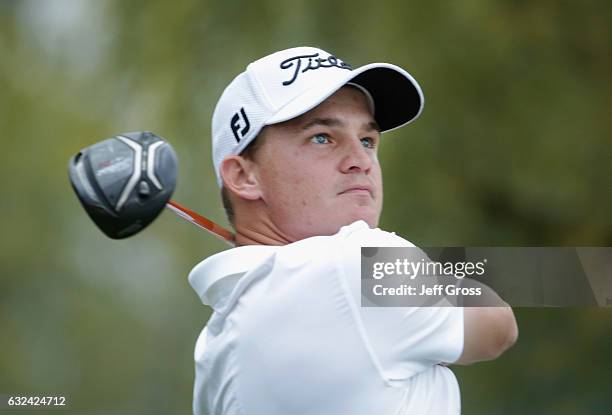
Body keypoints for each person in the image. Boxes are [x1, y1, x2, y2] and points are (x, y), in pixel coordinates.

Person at [188, 46, 518, 415]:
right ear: (244, 176)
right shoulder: (351, 264)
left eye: (367, 141)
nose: (361, 161)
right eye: (322, 138)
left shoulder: (215, 348)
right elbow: (498, 323)